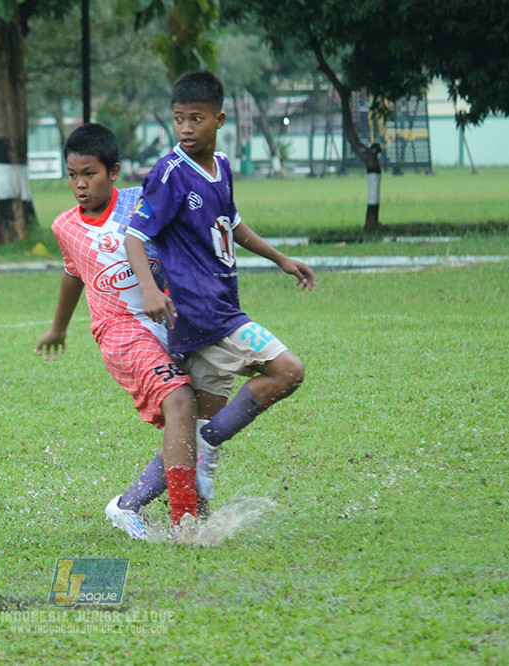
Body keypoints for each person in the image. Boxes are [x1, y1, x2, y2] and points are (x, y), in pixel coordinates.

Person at [125, 71, 317, 502]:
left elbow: (228, 223)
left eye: (196, 118)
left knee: (188, 437)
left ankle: (132, 504)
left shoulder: (223, 166)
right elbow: (135, 236)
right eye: (179, 119)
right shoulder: (170, 173)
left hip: (217, 308)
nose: (186, 128)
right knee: (289, 371)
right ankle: (211, 447)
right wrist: (150, 290)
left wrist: (279, 258)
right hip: (204, 313)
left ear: (219, 119)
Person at [35, 123, 199, 539]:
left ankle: (131, 505)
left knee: (192, 421)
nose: (80, 185)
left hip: (169, 323)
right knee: (179, 401)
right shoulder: (65, 227)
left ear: (114, 171)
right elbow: (74, 274)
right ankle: (186, 522)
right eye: (72, 176)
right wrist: (59, 328)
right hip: (119, 332)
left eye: (89, 173)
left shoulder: (140, 202)